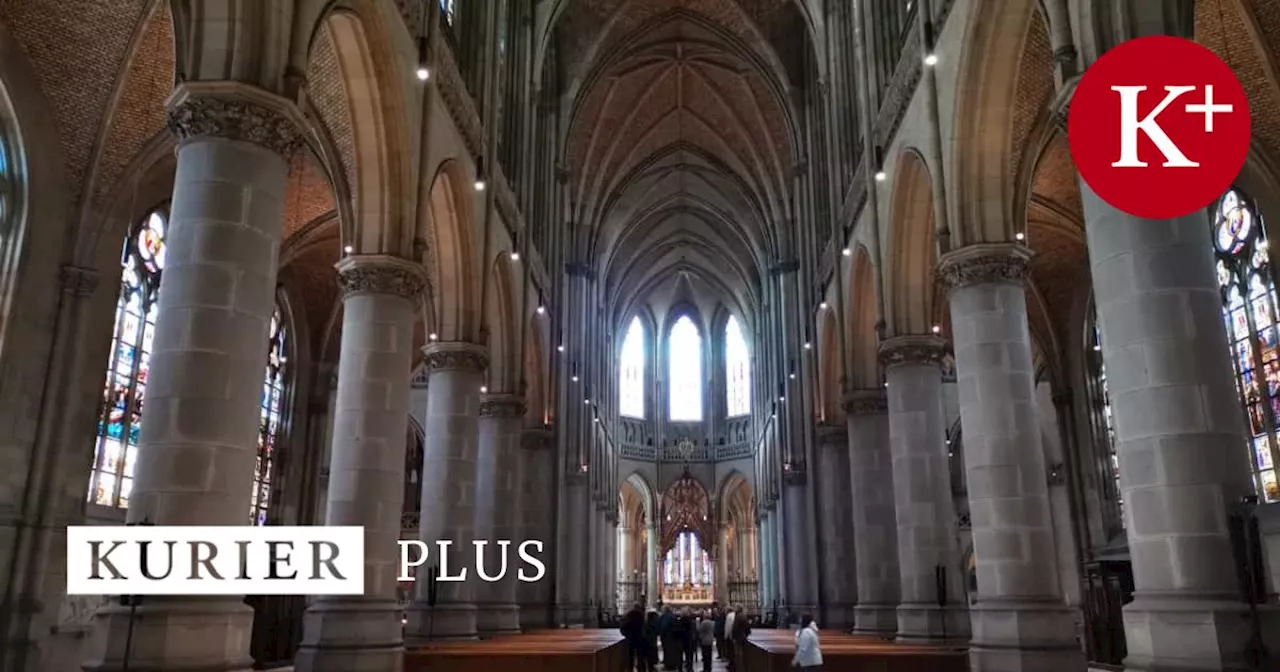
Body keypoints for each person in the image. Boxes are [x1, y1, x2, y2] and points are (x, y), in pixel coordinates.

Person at [621, 602, 646, 671]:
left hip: (630, 638)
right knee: (640, 655)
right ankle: (641, 668)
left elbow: (624, 626)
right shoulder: (641, 615)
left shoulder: (629, 615)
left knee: (630, 655)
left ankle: (630, 668)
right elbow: (644, 626)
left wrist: (625, 634)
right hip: (639, 638)